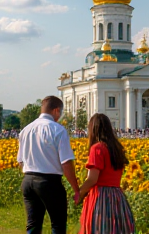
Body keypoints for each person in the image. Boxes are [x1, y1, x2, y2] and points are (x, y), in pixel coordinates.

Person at [17, 95, 79, 234]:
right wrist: (76, 189)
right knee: (57, 224)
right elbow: (66, 163)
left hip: (28, 180)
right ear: (56, 110)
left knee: (33, 225)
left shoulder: (25, 130)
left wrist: (32, 171)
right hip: (49, 182)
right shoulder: (58, 130)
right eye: (60, 113)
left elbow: (20, 161)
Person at [77, 113, 135, 234]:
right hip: (117, 196)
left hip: (101, 197)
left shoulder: (97, 148)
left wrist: (79, 193)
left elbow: (92, 179)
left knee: (100, 228)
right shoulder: (116, 148)